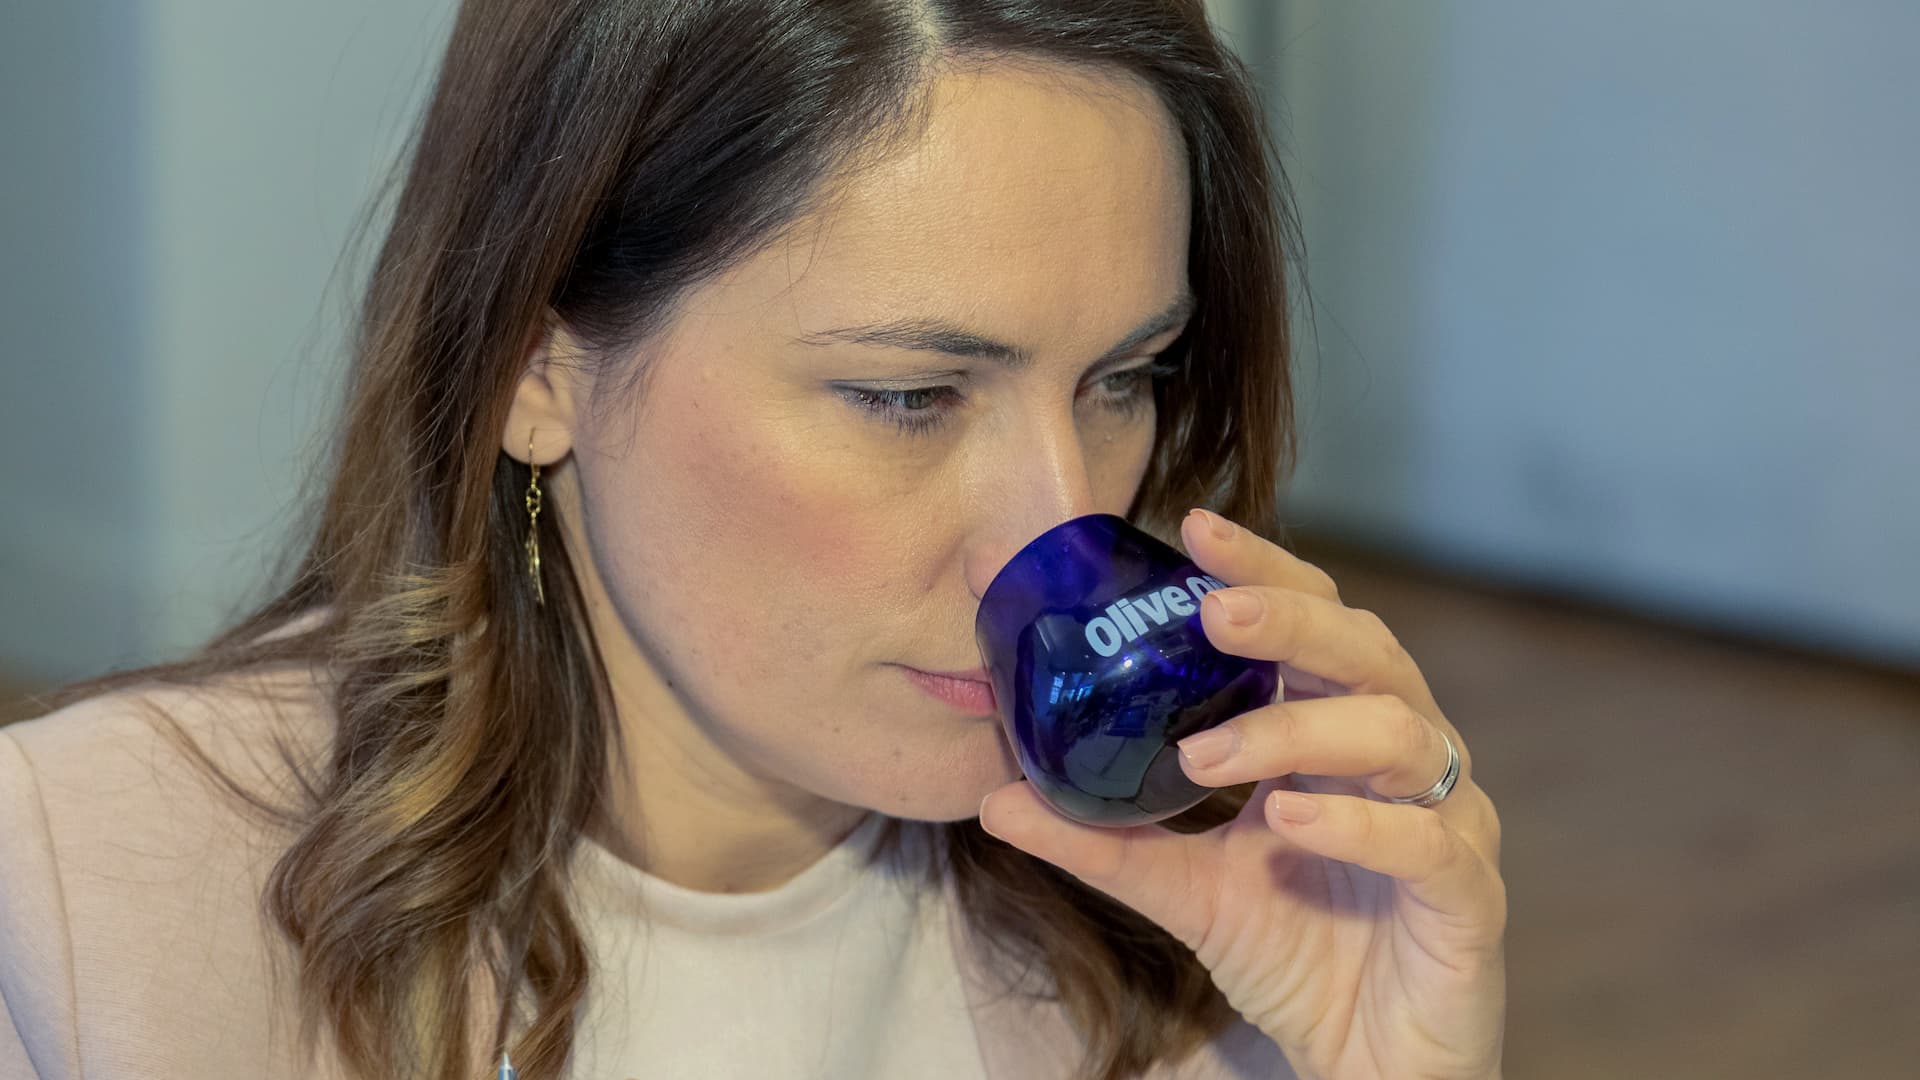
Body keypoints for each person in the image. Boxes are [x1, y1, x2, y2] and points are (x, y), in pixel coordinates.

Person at [0, 2, 1508, 1078]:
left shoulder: (1201, 905)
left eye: (1123, 379)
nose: (1063, 528)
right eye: (910, 395)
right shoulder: (73, 908)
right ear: (535, 364)